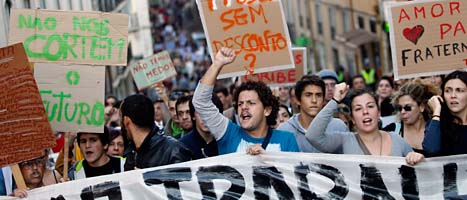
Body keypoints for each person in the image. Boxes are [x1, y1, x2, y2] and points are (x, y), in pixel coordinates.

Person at [192, 47, 299, 154]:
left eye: (251, 103)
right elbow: (200, 101)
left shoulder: (287, 139)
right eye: (240, 104)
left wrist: (267, 158)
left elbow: (293, 170)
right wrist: (217, 64)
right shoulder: (228, 133)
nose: (244, 107)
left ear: (267, 110)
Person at [307, 83, 424, 165]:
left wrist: (417, 158)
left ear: (378, 113)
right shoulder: (343, 141)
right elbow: (312, 136)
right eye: (358, 109)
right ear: (352, 118)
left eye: (370, 106)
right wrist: (335, 100)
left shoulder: (397, 140)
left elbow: (417, 174)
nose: (365, 112)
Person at [120, 94, 192, 170]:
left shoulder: (174, 150)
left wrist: (146, 178)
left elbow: (185, 180)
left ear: (126, 120)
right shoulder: (131, 155)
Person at [277, 75, 348, 152]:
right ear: (298, 100)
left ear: (323, 99)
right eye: (308, 95)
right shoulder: (284, 130)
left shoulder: (338, 127)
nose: (314, 100)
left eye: (318, 95)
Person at [383, 79, 438, 156]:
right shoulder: (392, 130)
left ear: (421, 107)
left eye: (407, 107)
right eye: (399, 108)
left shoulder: (435, 129)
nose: (402, 111)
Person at [424, 70, 467, 156]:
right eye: (448, 91)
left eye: (459, 90)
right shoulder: (437, 123)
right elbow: (431, 149)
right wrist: (436, 111)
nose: (453, 95)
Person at [180, 94, 223, 159]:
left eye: (210, 113)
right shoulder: (183, 146)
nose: (205, 118)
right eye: (201, 113)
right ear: (193, 116)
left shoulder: (226, 141)